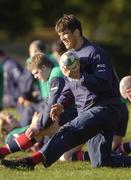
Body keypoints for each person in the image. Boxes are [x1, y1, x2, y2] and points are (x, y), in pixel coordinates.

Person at [1, 14, 131, 170]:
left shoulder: (95, 53)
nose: (62, 38)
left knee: (69, 130)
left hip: (104, 109)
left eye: (65, 34)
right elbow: (70, 87)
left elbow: (105, 85)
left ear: (77, 32)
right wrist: (61, 104)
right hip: (88, 111)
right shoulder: (71, 57)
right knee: (103, 163)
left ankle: (30, 162)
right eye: (60, 35)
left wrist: (80, 76)